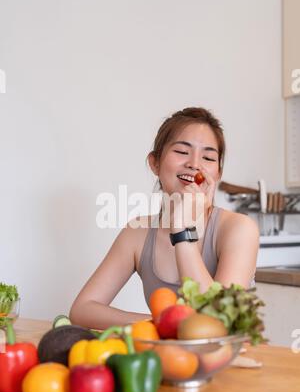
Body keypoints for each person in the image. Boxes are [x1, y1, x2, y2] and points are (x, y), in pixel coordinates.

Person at [69, 107, 259, 329]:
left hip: (232, 361)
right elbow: (83, 309)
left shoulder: (239, 229)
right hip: (170, 361)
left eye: (208, 157)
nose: (195, 164)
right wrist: (158, 324)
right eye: (181, 152)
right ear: (155, 163)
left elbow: (217, 322)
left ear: (217, 173)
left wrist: (182, 229)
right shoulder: (137, 232)